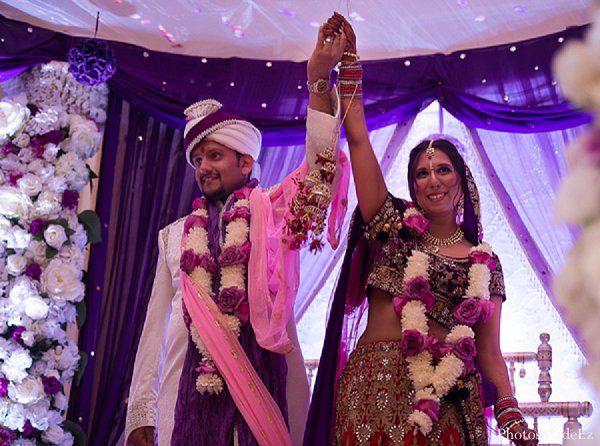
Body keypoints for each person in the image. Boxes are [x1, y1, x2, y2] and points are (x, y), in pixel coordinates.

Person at [303, 13, 539, 446]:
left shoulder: (482, 262)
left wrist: (511, 414)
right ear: (412, 186)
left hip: (444, 399)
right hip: (369, 394)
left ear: (462, 184)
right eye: (422, 172)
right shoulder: (391, 226)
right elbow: (356, 138)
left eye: (443, 169)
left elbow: (488, 353)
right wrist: (347, 62)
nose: (433, 179)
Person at [124, 26, 350, 446]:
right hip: (184, 392)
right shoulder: (173, 236)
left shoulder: (277, 214)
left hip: (265, 389)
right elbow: (155, 324)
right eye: (197, 159)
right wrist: (141, 408)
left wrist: (319, 83)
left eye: (214, 155)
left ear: (246, 162)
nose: (203, 167)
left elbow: (322, 172)